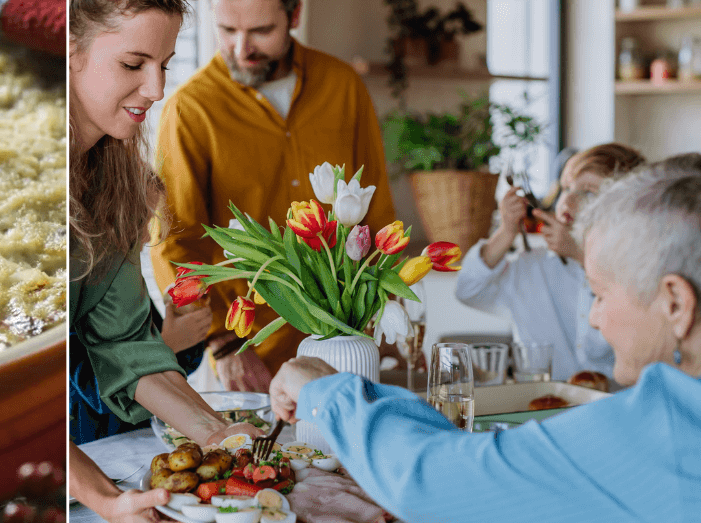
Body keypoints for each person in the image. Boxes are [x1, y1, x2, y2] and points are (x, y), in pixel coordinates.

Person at [268, 156, 701, 522]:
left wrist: (325, 389)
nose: (595, 317)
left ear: (677, 304)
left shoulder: (658, 429)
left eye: (602, 294)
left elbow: (434, 481)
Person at [150, 0, 396, 393]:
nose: (241, 48)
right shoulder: (189, 109)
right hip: (245, 354)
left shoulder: (344, 87)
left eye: (261, 31)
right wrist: (222, 343)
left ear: (295, 14)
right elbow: (174, 240)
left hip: (344, 340)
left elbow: (376, 208)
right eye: (227, 29)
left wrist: (384, 318)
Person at [66, 0, 258, 523]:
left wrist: (221, 437)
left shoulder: (120, 184)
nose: (156, 90)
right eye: (132, 64)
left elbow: (124, 343)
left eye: (164, 65)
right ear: (65, 50)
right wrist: (102, 497)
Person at [455, 143, 645, 382]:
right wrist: (506, 233)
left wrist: (582, 256)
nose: (569, 200)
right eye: (566, 188)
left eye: (588, 192)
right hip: (539, 406)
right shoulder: (531, 266)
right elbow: (467, 290)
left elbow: (608, 349)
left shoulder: (638, 277)